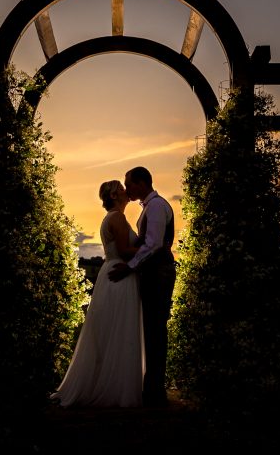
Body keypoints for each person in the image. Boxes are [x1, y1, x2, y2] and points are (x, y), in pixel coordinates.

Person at [50, 180, 144, 408]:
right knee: (120, 329)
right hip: (119, 275)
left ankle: (107, 383)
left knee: (110, 330)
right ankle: (114, 388)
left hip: (110, 272)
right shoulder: (117, 218)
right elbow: (123, 251)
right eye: (121, 188)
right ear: (113, 195)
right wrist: (153, 247)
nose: (125, 190)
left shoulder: (110, 218)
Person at [108, 166, 176, 407]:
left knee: (156, 329)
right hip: (153, 273)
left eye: (129, 184)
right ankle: (152, 390)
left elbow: (154, 243)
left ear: (140, 183)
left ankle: (156, 393)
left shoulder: (156, 206)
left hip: (159, 273)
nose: (126, 189)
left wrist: (130, 266)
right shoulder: (149, 207)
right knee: (152, 329)